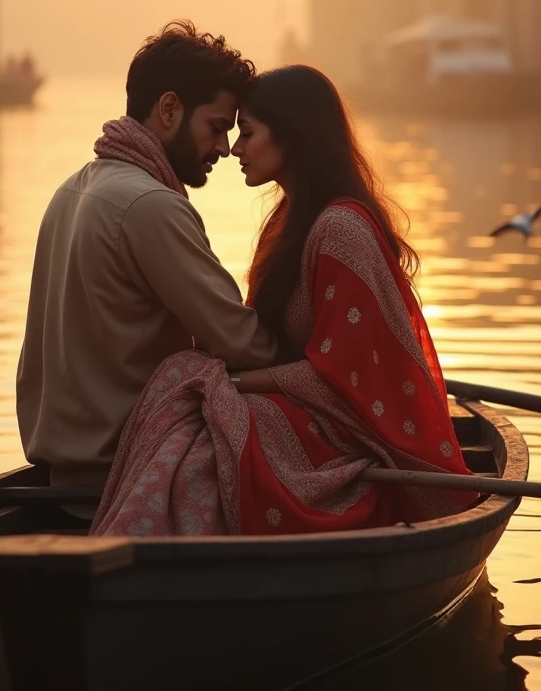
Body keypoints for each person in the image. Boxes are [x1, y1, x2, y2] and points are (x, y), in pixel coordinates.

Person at [91, 65, 476, 537]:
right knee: (189, 396)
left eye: (247, 134)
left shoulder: (341, 231)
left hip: (352, 433)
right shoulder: (288, 224)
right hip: (305, 412)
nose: (234, 148)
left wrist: (230, 381)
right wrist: (220, 381)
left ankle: (144, 559)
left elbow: (341, 380)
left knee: (200, 422)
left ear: (292, 136)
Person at [16, 21, 277, 493]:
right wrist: (322, 368)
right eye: (216, 127)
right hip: (125, 470)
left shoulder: (70, 190)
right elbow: (241, 341)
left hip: (62, 474)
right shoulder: (150, 205)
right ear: (170, 109)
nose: (223, 148)